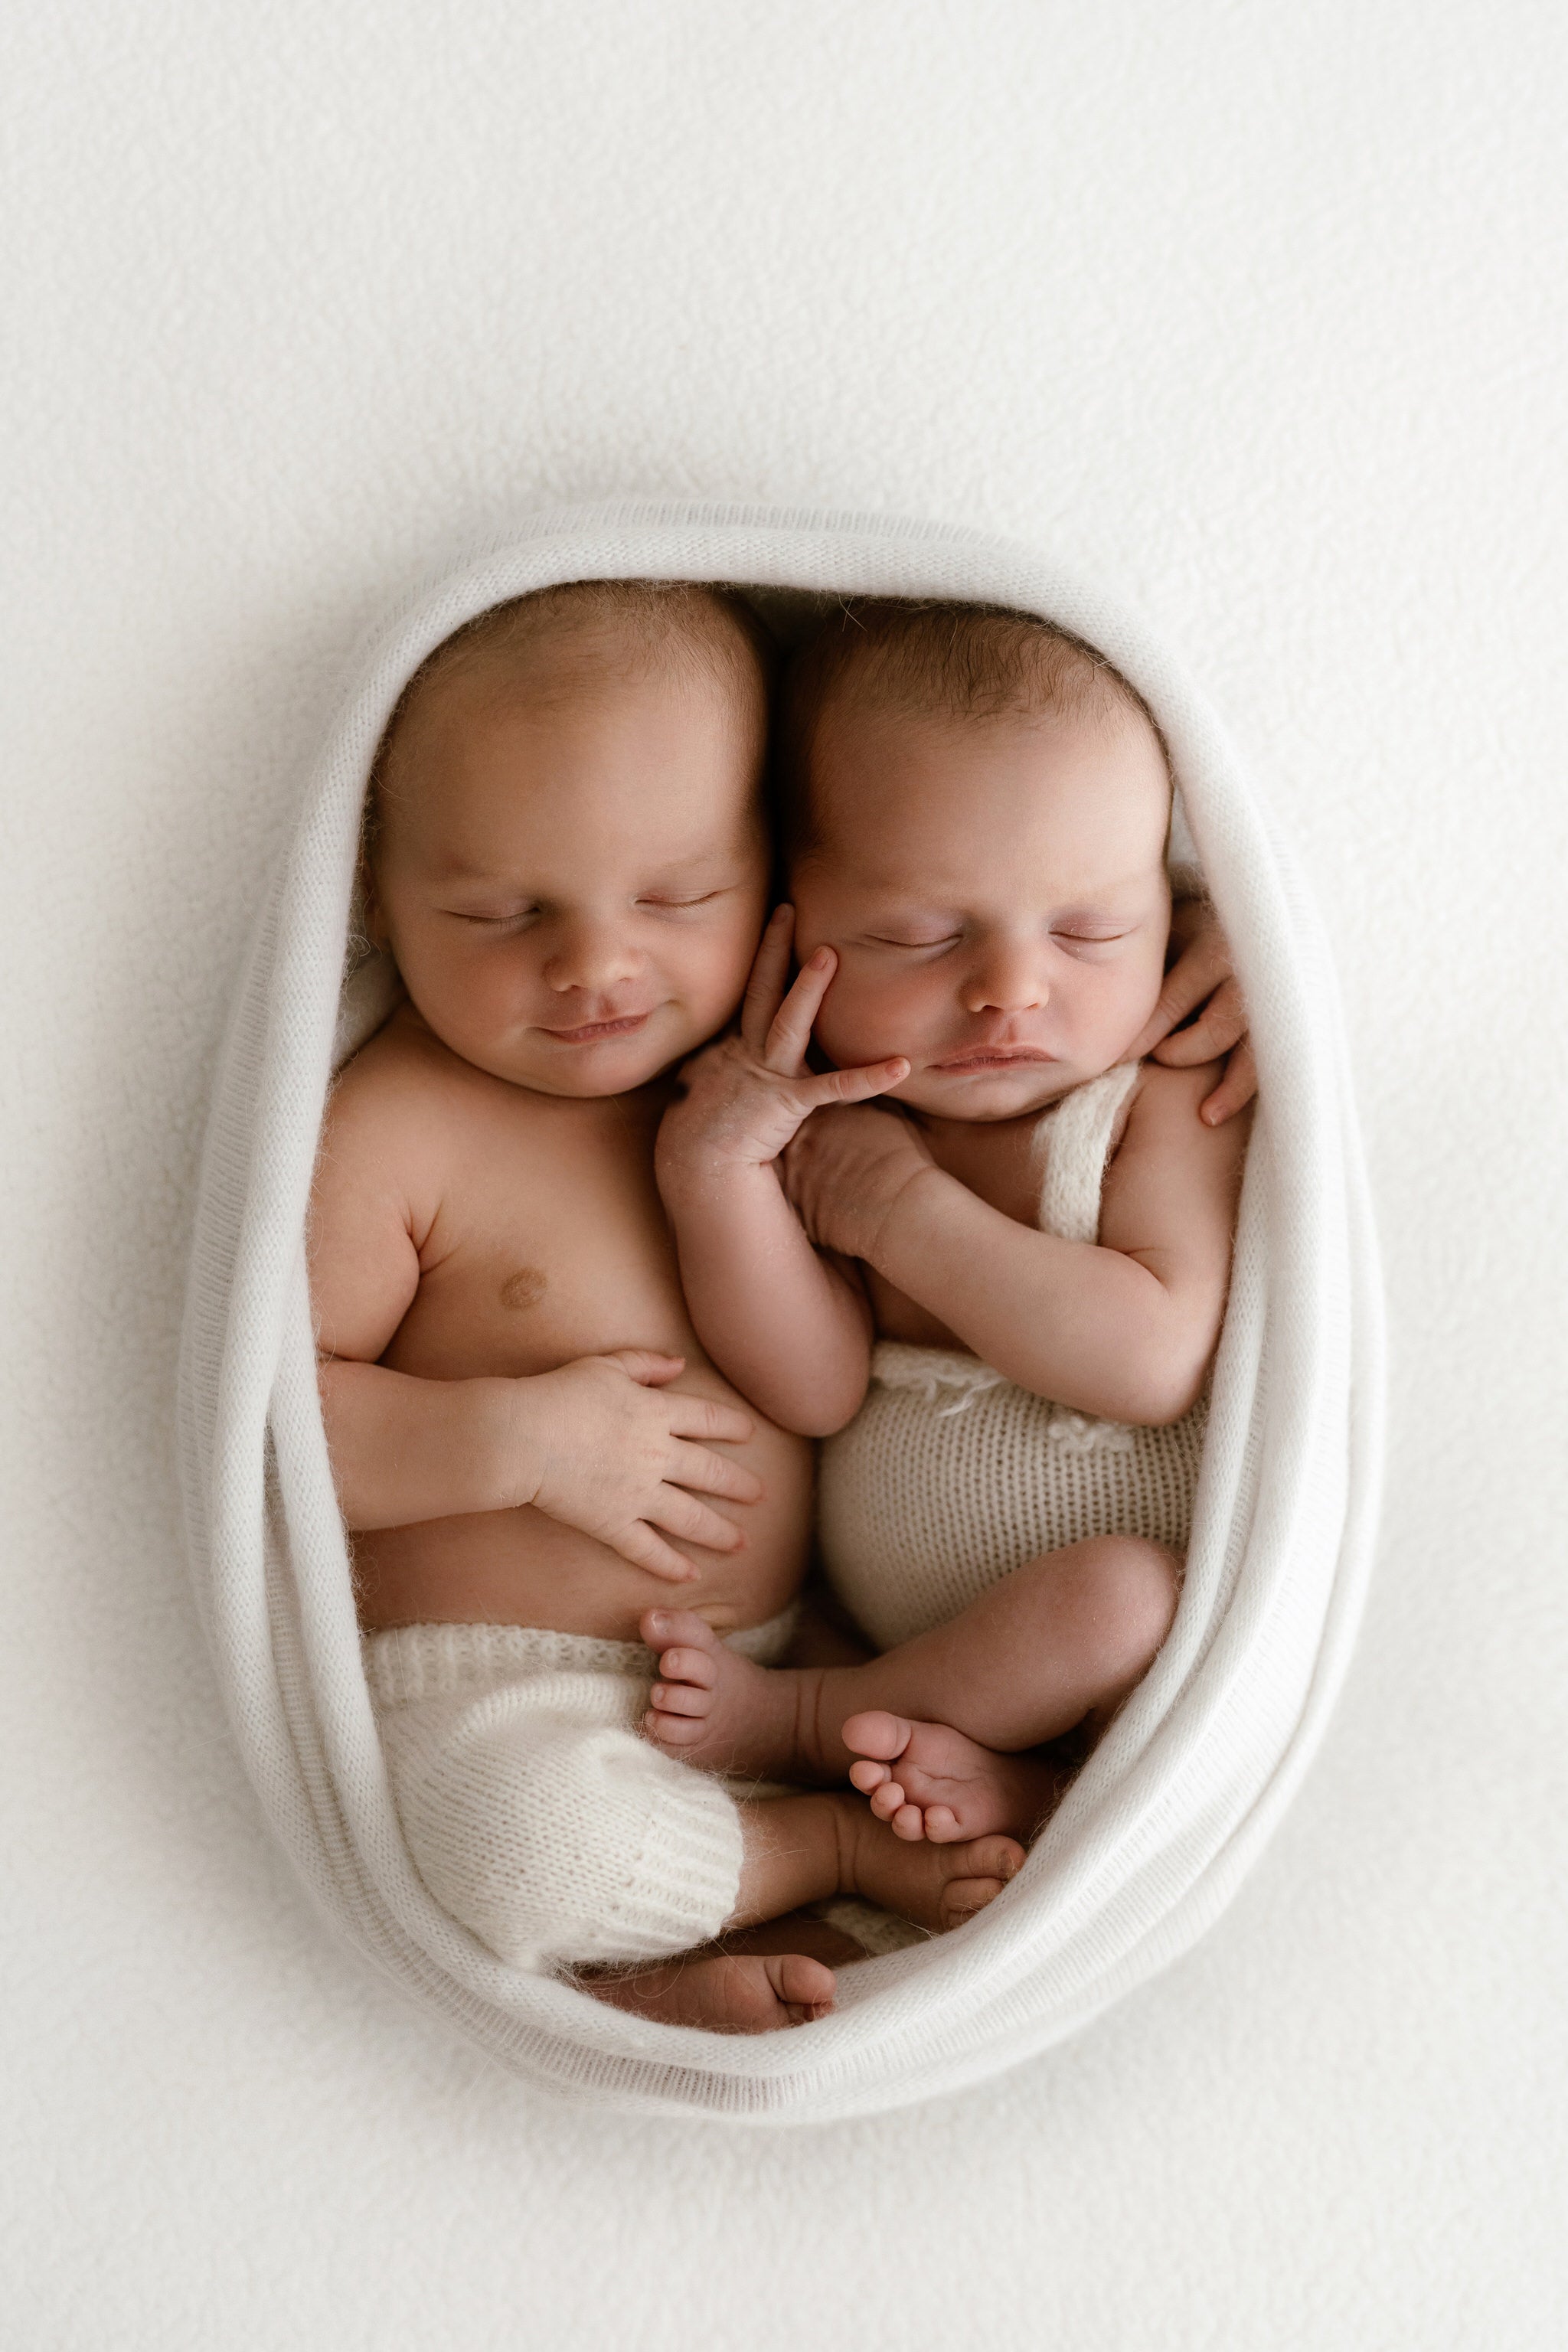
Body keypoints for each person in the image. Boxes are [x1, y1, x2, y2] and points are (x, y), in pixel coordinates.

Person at [645, 600, 1251, 1854]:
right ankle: (1018, 1795)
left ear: (1173, 906)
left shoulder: (1154, 1099)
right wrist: (722, 1181)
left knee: (1126, 1600)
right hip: (903, 1625)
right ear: (789, 917)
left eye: (1092, 931)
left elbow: (1151, 1361)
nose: (1011, 989)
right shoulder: (821, 1111)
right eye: (919, 935)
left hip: (1136, 1639)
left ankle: (818, 1722)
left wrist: (903, 1213)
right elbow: (810, 1386)